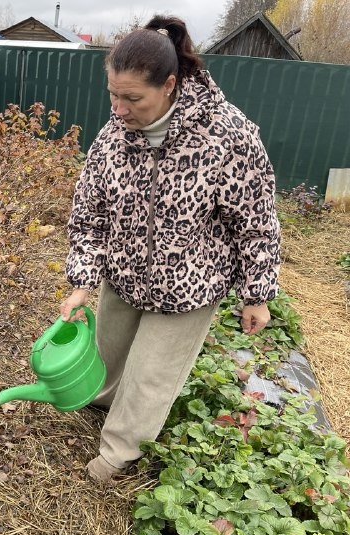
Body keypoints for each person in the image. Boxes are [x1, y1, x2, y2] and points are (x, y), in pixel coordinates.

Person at [60, 15, 281, 483]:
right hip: (124, 274)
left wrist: (257, 294)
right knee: (107, 355)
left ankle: (117, 454)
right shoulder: (113, 136)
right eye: (113, 95)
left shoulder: (228, 135)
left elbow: (256, 223)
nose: (119, 109)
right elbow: (89, 214)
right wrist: (82, 280)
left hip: (190, 284)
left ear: (169, 85)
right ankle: (101, 404)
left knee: (150, 376)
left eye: (133, 99)